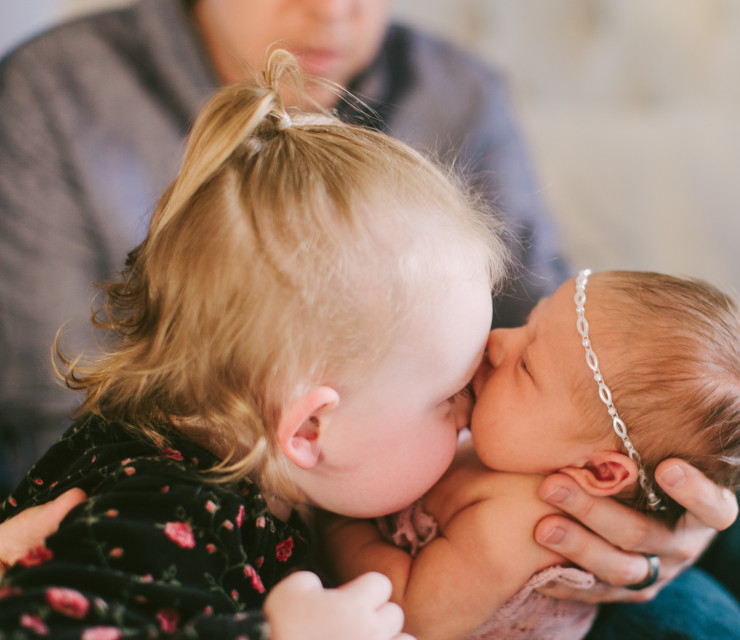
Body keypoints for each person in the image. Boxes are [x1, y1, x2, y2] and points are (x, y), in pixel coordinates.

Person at [0, 49, 510, 640]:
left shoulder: (239, 461)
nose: (470, 415)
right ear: (309, 429)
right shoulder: (168, 509)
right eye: (451, 396)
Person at [0, 0, 570, 492]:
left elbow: (554, 352)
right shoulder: (54, 91)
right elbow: (55, 428)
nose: (331, 13)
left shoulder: (462, 95)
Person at [319, 269, 740, 640]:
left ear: (600, 471)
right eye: (528, 324)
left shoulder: (516, 524)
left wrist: (337, 519)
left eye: (525, 366)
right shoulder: (521, 440)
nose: (498, 339)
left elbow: (404, 614)